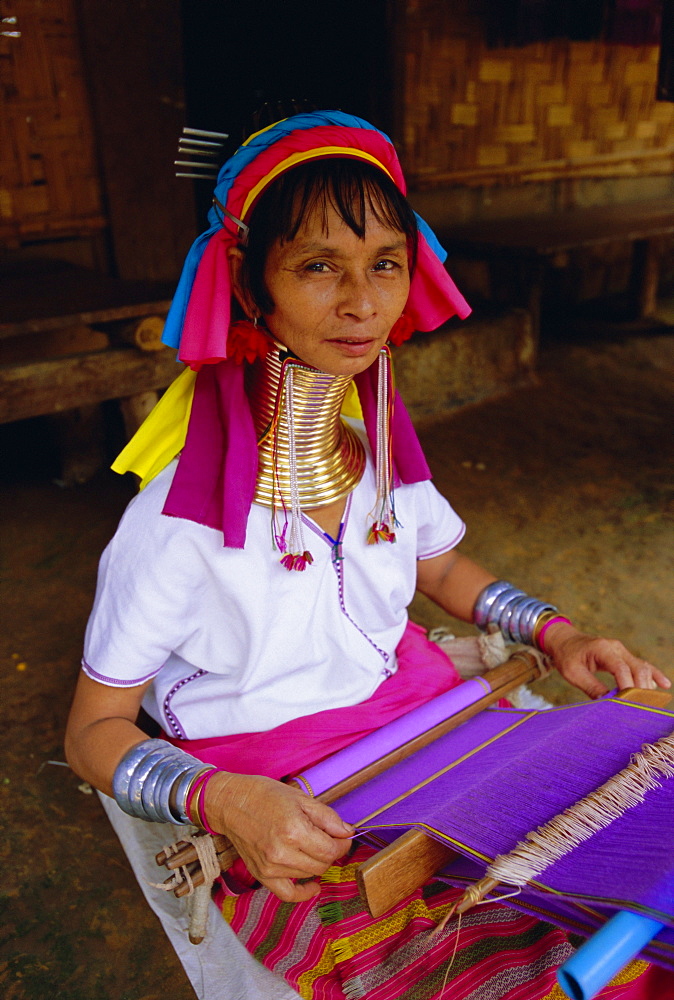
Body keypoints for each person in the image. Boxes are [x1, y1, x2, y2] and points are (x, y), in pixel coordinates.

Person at [65, 109, 671, 1000]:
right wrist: (228, 803)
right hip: (298, 787)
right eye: (319, 267)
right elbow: (92, 732)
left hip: (433, 718)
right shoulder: (173, 527)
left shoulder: (378, 457)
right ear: (247, 282)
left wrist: (557, 635)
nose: (363, 303)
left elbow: (441, 570)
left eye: (385, 263)